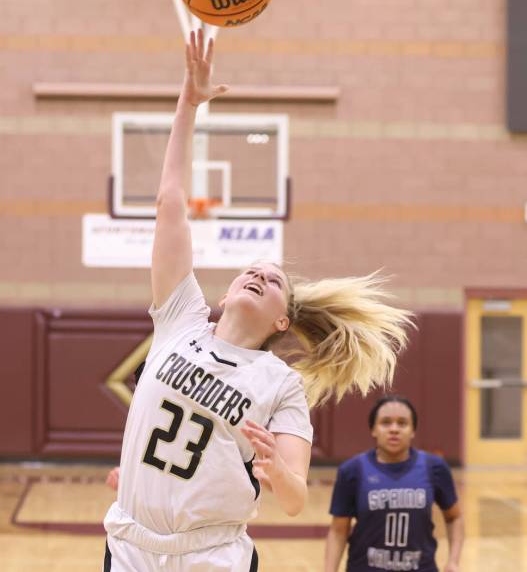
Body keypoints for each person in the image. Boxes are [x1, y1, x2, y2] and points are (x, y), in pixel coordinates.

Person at [102, 29, 412, 572]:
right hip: (130, 546)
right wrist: (188, 103)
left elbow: (294, 503)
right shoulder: (181, 320)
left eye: (270, 280)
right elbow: (169, 203)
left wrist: (277, 471)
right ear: (223, 294)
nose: (257, 274)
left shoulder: (281, 384)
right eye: (251, 270)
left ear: (282, 319)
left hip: (212, 555)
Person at [325, 396, 464, 572]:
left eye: (402, 423)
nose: (394, 429)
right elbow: (338, 530)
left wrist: (453, 561)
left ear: (413, 430)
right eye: (385, 422)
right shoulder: (352, 470)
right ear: (373, 430)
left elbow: (454, 517)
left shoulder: (434, 467)